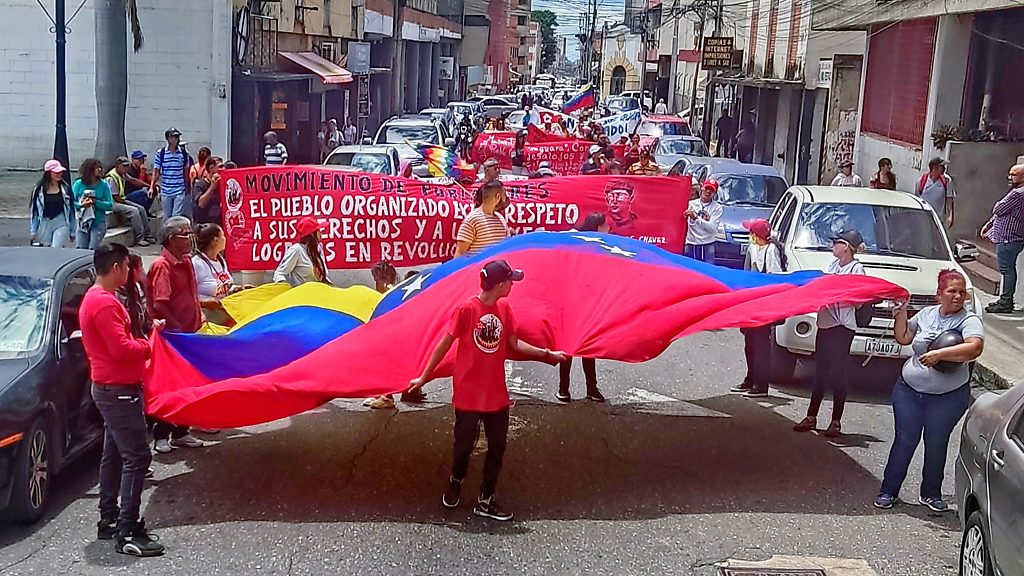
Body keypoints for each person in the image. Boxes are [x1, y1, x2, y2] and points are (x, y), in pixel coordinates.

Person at [407, 259, 567, 521]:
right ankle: (456, 481)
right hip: (468, 393)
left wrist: (547, 355)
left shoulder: (504, 308)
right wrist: (424, 377)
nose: (513, 285)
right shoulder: (466, 310)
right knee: (463, 446)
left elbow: (514, 343)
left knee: (497, 447)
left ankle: (486, 498)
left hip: (495, 394)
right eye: (511, 281)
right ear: (500, 284)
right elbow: (444, 344)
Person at [873, 269, 983, 512]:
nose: (958, 296)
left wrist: (939, 354)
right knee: (905, 440)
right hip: (909, 391)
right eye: (952, 291)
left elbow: (974, 348)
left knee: (936, 442)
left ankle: (931, 494)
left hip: (947, 397)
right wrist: (901, 313)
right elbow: (903, 337)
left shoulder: (969, 320)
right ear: (939, 294)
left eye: (961, 292)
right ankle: (888, 491)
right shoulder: (926, 314)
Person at [79, 243, 164, 557]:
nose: (129, 272)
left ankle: (110, 517)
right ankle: (127, 530)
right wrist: (148, 345)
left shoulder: (99, 298)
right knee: (137, 457)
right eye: (127, 267)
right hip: (118, 389)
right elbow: (122, 349)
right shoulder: (104, 303)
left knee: (114, 454)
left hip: (112, 387)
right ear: (116, 267)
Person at [793, 229, 867, 438]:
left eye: (837, 243)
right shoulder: (834, 266)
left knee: (838, 374)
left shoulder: (857, 269)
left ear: (846, 247)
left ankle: (836, 421)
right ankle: (811, 416)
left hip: (841, 328)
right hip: (825, 325)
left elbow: (859, 301)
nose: (833, 246)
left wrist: (838, 291)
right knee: (821, 372)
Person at [148, 216, 205, 453]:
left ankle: (181, 431)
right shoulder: (162, 266)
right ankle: (161, 434)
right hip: (173, 338)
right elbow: (160, 304)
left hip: (190, 335)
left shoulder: (187, 261)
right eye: (185, 234)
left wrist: (198, 315)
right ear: (172, 239)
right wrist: (178, 330)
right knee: (170, 387)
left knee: (189, 384)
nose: (191, 238)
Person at [730, 219, 786, 398]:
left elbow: (775, 278)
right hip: (751, 302)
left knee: (761, 345)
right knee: (750, 343)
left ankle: (761, 384)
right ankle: (750, 378)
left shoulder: (771, 251)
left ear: (756, 235)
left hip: (764, 304)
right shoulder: (752, 248)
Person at [557, 212, 609, 403]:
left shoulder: (598, 245)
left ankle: (585, 388)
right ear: (598, 227)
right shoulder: (578, 241)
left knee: (586, 345)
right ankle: (568, 388)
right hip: (574, 301)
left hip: (585, 302)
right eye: (606, 225)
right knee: (572, 346)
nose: (609, 229)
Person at [981, 163, 1024, 313]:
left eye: (1014, 175)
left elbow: (998, 209)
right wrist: (989, 224)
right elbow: (1000, 213)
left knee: (1007, 270)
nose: (1010, 177)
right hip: (1008, 238)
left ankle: (1006, 301)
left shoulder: (1018, 193)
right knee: (1007, 269)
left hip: (1009, 238)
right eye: (1010, 174)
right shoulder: (1015, 192)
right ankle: (1005, 300)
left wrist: (998, 205)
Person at [192, 223, 242, 326]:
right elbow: (187, 295)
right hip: (207, 317)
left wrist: (236, 288)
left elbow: (224, 285)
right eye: (222, 236)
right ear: (215, 241)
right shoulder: (196, 264)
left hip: (224, 313)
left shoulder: (221, 260)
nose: (225, 239)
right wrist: (206, 302)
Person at [106, 156, 155, 246]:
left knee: (141, 209)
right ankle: (140, 238)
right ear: (117, 166)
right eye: (124, 166)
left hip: (121, 199)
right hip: (112, 202)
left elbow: (133, 180)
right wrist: (129, 204)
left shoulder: (123, 174)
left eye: (127, 166)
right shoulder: (112, 177)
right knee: (134, 211)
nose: (126, 168)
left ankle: (148, 235)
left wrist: (149, 186)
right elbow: (116, 198)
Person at [455, 180, 510, 256]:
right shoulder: (472, 220)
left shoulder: (501, 219)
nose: (506, 199)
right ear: (498, 197)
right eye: (504, 195)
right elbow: (459, 255)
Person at [29, 159, 75, 248]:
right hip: (45, 223)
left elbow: (71, 210)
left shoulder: (65, 188)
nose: (59, 174)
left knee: (56, 248)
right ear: (48, 173)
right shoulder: (39, 190)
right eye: (56, 172)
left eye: (60, 172)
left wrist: (72, 231)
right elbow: (35, 212)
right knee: (46, 250)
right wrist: (33, 231)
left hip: (61, 222)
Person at [150, 127, 194, 219]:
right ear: (168, 139)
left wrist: (187, 187)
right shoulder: (161, 153)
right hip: (166, 190)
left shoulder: (183, 153)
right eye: (174, 137)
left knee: (176, 216)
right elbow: (156, 171)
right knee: (167, 216)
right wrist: (151, 187)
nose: (176, 139)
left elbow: (186, 171)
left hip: (179, 189)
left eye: (177, 137)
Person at [274, 216, 331, 286]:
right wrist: (284, 287)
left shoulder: (318, 249)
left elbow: (325, 277)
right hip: (300, 291)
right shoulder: (297, 250)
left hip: (318, 290)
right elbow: (279, 274)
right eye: (318, 230)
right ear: (312, 235)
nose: (321, 233)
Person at [73, 158, 114, 250]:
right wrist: (81, 205)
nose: (100, 170)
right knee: (81, 248)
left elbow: (110, 205)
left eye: (100, 167)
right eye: (96, 168)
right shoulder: (79, 184)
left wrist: (96, 202)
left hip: (98, 222)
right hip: (82, 222)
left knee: (93, 248)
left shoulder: (104, 185)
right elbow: (71, 202)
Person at [684, 179, 724, 263]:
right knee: (688, 269)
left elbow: (712, 228)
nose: (708, 192)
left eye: (711, 190)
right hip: (691, 244)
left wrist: (696, 217)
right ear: (702, 188)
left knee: (707, 270)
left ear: (715, 193)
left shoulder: (717, 208)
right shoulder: (690, 204)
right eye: (706, 188)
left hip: (707, 245)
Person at [914, 157, 955, 229]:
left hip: (938, 219)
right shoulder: (921, 181)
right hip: (923, 219)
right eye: (942, 166)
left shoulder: (947, 180)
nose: (944, 168)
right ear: (934, 168)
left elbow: (949, 198)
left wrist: (950, 215)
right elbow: (917, 199)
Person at [191, 156, 224, 225]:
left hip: (218, 223)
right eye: (220, 167)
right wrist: (212, 187)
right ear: (211, 168)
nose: (223, 169)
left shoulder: (223, 184)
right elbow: (201, 204)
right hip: (204, 224)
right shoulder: (200, 185)